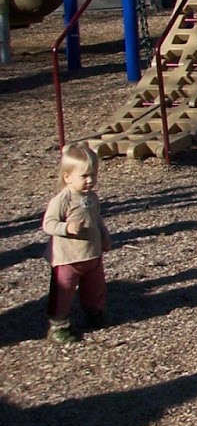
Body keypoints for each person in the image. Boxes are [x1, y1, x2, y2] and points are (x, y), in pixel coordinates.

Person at [42, 142, 112, 343]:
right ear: (68, 177)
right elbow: (48, 224)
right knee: (63, 292)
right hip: (68, 258)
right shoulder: (63, 199)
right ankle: (59, 325)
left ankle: (94, 313)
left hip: (91, 254)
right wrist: (65, 228)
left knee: (95, 288)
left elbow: (96, 219)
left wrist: (104, 236)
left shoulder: (92, 197)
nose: (90, 180)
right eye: (84, 176)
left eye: (93, 175)